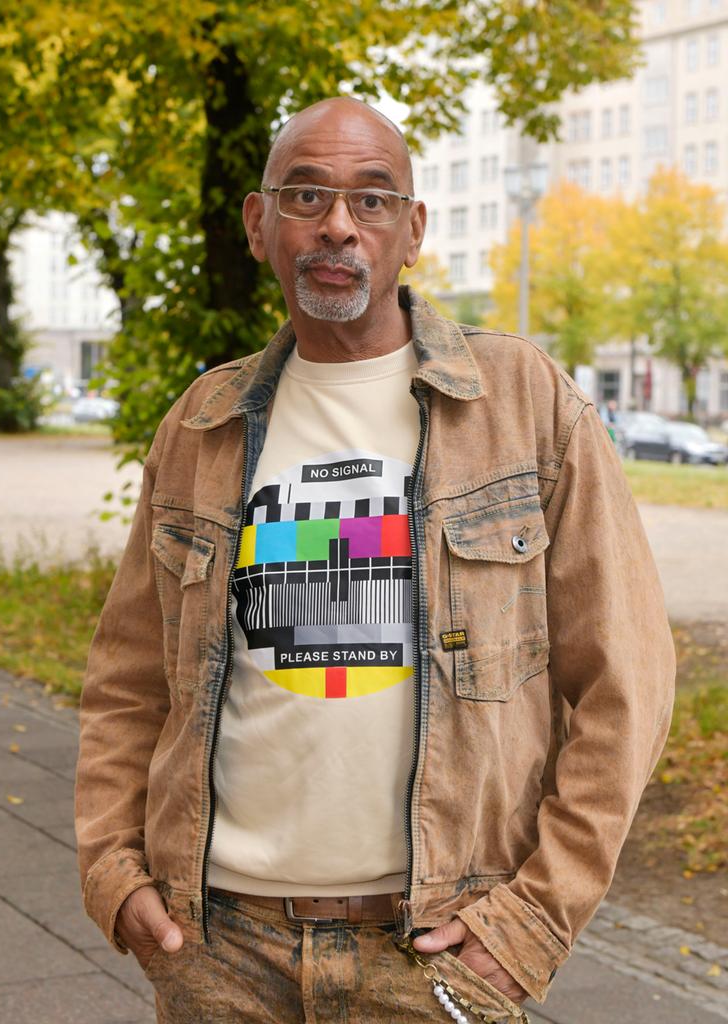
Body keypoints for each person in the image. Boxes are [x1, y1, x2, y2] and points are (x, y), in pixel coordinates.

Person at [75, 97, 675, 1023]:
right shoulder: (201, 424)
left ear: (414, 230)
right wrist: (114, 871)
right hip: (218, 948)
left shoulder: (524, 405)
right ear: (259, 224)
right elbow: (129, 680)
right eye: (306, 194)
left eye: (373, 198)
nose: (338, 225)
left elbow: (627, 680)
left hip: (433, 949)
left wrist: (536, 915)